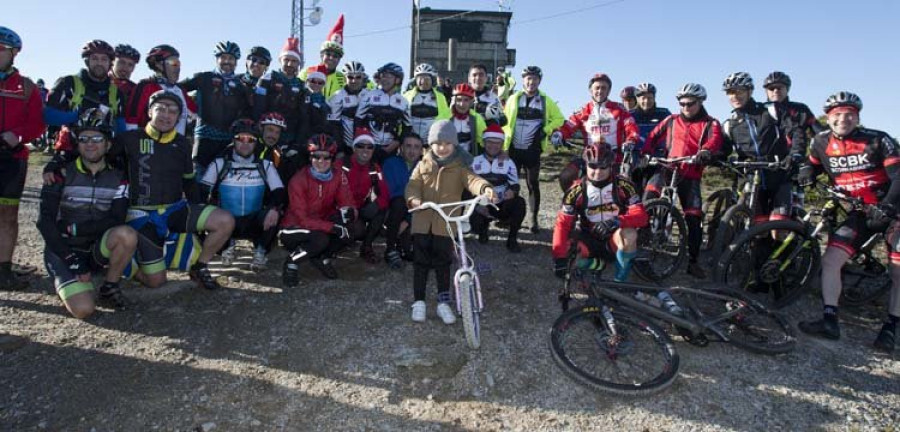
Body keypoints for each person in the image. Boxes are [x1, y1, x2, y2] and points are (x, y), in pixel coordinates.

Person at [797, 92, 900, 352]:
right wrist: (807, 173)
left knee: (898, 271)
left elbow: (898, 176)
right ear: (829, 118)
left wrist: (887, 205)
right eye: (838, 114)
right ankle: (830, 318)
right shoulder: (820, 142)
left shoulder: (877, 140)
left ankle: (892, 327)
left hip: (893, 211)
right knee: (831, 259)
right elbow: (811, 164)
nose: (844, 118)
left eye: (849, 114)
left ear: (857, 117)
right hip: (861, 211)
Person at [111, 90, 235, 290]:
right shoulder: (128, 139)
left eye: (173, 111)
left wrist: (198, 213)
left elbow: (189, 182)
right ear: (150, 111)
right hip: (140, 214)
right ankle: (129, 265)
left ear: (178, 117)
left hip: (175, 210)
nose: (166, 115)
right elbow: (97, 160)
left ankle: (199, 267)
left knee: (224, 221)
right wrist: (58, 164)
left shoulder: (182, 143)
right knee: (157, 282)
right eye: (160, 109)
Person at [37, 110, 137, 317]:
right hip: (63, 249)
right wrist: (72, 259)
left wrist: (75, 228)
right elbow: (44, 224)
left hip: (95, 248)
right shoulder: (60, 173)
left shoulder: (119, 177)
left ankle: (109, 285)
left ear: (108, 143)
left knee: (126, 234)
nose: (90, 143)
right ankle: (69, 278)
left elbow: (116, 219)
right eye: (83, 138)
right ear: (77, 143)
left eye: (97, 138)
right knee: (84, 310)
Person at [406, 120, 495, 323]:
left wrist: (484, 189)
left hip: (446, 223)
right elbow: (412, 185)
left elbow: (473, 180)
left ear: (455, 145)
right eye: (437, 143)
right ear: (430, 145)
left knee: (443, 264)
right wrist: (414, 199)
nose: (442, 147)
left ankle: (442, 303)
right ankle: (418, 301)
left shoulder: (460, 167)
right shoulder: (422, 165)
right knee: (420, 263)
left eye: (447, 143)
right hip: (422, 220)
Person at [641, 83, 723, 278]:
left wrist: (705, 152)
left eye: (690, 103)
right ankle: (642, 242)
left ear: (700, 102)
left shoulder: (711, 123)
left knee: (693, 219)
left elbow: (715, 140)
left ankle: (693, 261)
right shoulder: (671, 120)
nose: (686, 107)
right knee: (647, 201)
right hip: (667, 168)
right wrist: (645, 153)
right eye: (682, 103)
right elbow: (653, 136)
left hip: (690, 173)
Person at [552, 142, 648, 283]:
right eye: (593, 166)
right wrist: (559, 257)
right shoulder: (575, 191)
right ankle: (599, 265)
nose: (597, 171)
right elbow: (562, 224)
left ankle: (620, 281)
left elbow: (642, 217)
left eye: (603, 167)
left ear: (611, 166)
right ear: (585, 164)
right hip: (588, 239)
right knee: (568, 261)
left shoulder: (623, 185)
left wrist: (617, 221)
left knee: (630, 234)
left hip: (614, 240)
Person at [200, 119, 285, 270]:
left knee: (274, 213)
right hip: (226, 221)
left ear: (256, 142)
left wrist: (274, 208)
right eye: (240, 138)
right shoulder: (219, 164)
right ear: (233, 140)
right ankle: (226, 245)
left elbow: (279, 193)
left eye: (251, 139)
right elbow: (201, 192)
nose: (245, 143)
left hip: (254, 221)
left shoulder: (265, 165)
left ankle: (261, 251)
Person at [721, 72, 803, 224]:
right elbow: (722, 150)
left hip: (779, 175)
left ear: (750, 91)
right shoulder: (729, 124)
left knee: (778, 227)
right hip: (752, 179)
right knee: (757, 229)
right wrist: (715, 158)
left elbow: (794, 131)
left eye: (739, 91)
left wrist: (795, 154)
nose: (735, 96)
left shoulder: (771, 111)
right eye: (731, 92)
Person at [0, 26, 46, 290]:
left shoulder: (26, 86)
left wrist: (17, 134)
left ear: (14, 53)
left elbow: (38, 124)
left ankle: (3, 269)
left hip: (11, 158)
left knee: (7, 215)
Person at [279, 134, 356, 286]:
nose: (321, 161)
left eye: (326, 157)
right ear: (310, 157)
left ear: (332, 158)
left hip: (319, 223)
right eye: (316, 156)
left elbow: (346, 200)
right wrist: (332, 227)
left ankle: (321, 258)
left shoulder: (338, 175)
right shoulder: (298, 180)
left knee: (353, 228)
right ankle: (291, 262)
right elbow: (302, 219)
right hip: (293, 228)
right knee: (321, 239)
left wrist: (349, 212)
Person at [503, 66, 565, 233]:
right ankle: (508, 216)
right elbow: (505, 121)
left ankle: (533, 218)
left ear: (539, 81)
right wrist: (504, 146)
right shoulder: (514, 98)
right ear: (523, 80)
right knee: (510, 183)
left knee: (532, 183)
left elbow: (559, 119)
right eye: (528, 78)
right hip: (514, 148)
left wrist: (545, 130)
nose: (531, 82)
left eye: (535, 79)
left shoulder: (545, 100)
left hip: (532, 148)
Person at [554, 73, 641, 192]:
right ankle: (575, 204)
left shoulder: (619, 109)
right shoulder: (584, 110)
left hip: (613, 156)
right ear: (591, 90)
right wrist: (559, 134)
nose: (600, 91)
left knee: (620, 187)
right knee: (565, 177)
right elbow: (569, 125)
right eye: (597, 88)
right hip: (589, 155)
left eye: (604, 88)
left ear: (609, 90)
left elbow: (631, 127)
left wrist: (631, 140)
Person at [43, 39, 127, 156]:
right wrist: (79, 115)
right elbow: (47, 116)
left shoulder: (116, 93)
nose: (99, 63)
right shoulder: (68, 83)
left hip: (104, 154)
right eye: (94, 58)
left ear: (110, 63)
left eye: (104, 59)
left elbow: (121, 129)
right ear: (87, 61)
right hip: (70, 151)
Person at [180, 41, 252, 177]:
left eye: (231, 58)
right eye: (223, 58)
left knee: (221, 178)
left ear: (236, 62)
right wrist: (189, 109)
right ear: (217, 59)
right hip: (204, 137)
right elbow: (178, 88)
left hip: (227, 139)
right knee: (198, 175)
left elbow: (246, 111)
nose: (227, 61)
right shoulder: (204, 77)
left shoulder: (240, 86)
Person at [337, 128, 390, 263]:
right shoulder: (341, 165)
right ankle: (339, 242)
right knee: (356, 230)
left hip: (360, 207)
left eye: (370, 147)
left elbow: (385, 193)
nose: (365, 150)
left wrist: (377, 204)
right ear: (354, 148)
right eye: (360, 146)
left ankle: (366, 246)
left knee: (381, 210)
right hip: (340, 208)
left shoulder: (375, 168)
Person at [470, 124, 526, 252]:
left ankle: (512, 239)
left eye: (497, 143)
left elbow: (515, 184)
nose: (493, 146)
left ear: (502, 144)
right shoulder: (475, 161)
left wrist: (513, 191)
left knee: (520, 203)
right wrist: (478, 205)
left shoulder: (508, 162)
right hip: (483, 203)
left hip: (501, 203)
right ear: (484, 142)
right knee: (475, 224)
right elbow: (469, 187)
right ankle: (483, 230)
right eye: (490, 142)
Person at [253, 38, 314, 148]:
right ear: (280, 60)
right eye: (286, 60)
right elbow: (258, 108)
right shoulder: (267, 78)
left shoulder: (302, 86)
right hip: (267, 136)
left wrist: (298, 143)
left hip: (290, 138)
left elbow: (304, 117)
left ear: (299, 63)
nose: (290, 64)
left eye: (294, 61)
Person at [127, 44, 197, 135]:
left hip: (177, 146)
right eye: (174, 63)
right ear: (159, 65)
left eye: (179, 63)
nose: (178, 67)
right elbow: (131, 119)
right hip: (149, 145)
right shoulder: (145, 87)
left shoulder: (180, 90)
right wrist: (132, 145)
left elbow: (196, 112)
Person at [355, 62, 410, 162]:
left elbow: (407, 128)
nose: (384, 79)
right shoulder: (369, 96)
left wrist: (395, 144)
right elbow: (358, 121)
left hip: (391, 149)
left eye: (388, 76)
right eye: (382, 76)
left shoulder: (404, 102)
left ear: (397, 80)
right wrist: (365, 143)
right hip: (369, 147)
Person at [382, 132, 423, 268]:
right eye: (408, 146)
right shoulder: (390, 163)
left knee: (410, 254)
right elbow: (393, 192)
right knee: (399, 201)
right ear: (401, 148)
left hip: (415, 213)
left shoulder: (427, 167)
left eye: (416, 147)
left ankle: (403, 246)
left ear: (421, 150)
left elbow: (427, 196)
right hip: (394, 210)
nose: (412, 150)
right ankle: (390, 248)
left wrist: (407, 221)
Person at [298, 14, 346, 99]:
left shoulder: (343, 78)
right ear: (321, 55)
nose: (331, 58)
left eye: (335, 56)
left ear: (339, 59)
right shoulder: (306, 72)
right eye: (328, 54)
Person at [328, 61, 370, 153]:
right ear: (344, 78)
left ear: (363, 77)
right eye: (350, 77)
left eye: (358, 77)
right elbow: (334, 126)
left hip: (367, 145)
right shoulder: (337, 97)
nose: (354, 80)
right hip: (346, 146)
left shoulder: (369, 95)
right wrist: (340, 150)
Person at [404, 63, 450, 141]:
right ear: (415, 80)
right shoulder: (407, 95)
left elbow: (445, 117)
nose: (423, 81)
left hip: (431, 139)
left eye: (427, 78)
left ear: (432, 80)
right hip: (411, 140)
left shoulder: (440, 97)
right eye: (420, 78)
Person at [449, 83, 487, 158]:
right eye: (459, 100)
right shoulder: (445, 117)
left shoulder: (476, 118)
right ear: (454, 100)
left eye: (466, 100)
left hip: (469, 158)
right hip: (449, 160)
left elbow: (484, 140)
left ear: (471, 102)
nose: (462, 104)